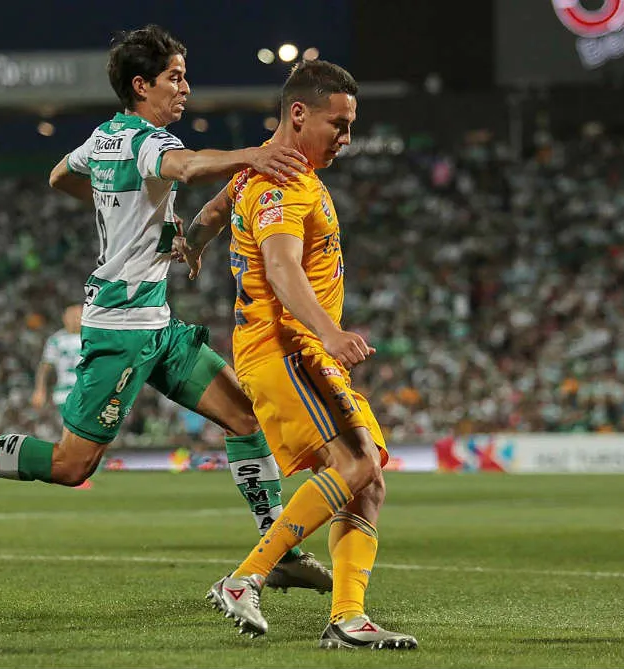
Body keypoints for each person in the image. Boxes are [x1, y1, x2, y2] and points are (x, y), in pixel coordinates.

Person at [0, 24, 330, 593]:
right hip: (120, 328)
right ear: (142, 85)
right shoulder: (149, 143)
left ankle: (279, 550)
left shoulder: (104, 137)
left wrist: (130, 215)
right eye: (175, 78)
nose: (185, 89)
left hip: (156, 324)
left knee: (244, 416)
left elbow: (59, 175)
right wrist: (259, 154)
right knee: (72, 466)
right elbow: (188, 168)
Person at [175, 60, 417, 650]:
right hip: (287, 348)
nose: (346, 138)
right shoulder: (282, 181)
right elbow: (282, 268)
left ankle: (348, 617)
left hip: (299, 351)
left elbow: (212, 212)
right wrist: (328, 333)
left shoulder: (266, 170)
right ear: (299, 113)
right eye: (338, 124)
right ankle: (246, 577)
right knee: (356, 466)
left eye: (351, 125)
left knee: (368, 481)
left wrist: (196, 243)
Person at [31, 304, 83, 413]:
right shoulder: (56, 340)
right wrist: (40, 390)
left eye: (78, 315)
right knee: (69, 427)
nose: (75, 319)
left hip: (87, 392)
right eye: (71, 316)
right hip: (64, 393)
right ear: (64, 318)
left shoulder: (92, 339)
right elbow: (45, 367)